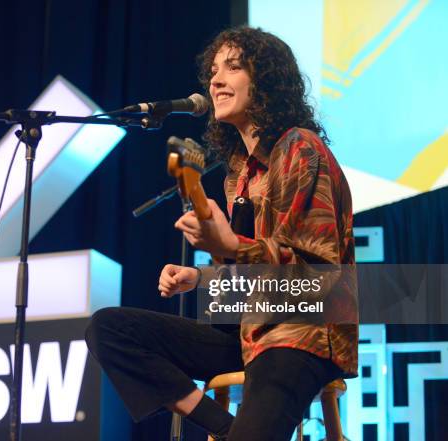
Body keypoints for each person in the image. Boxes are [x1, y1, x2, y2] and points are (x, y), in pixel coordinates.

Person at [85, 26, 358, 441]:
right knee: (110, 330)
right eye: (213, 70)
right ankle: (228, 430)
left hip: (303, 332)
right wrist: (203, 278)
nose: (215, 80)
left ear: (264, 80)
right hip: (251, 332)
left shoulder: (299, 148)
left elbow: (313, 277)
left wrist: (229, 245)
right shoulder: (238, 176)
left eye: (233, 67)